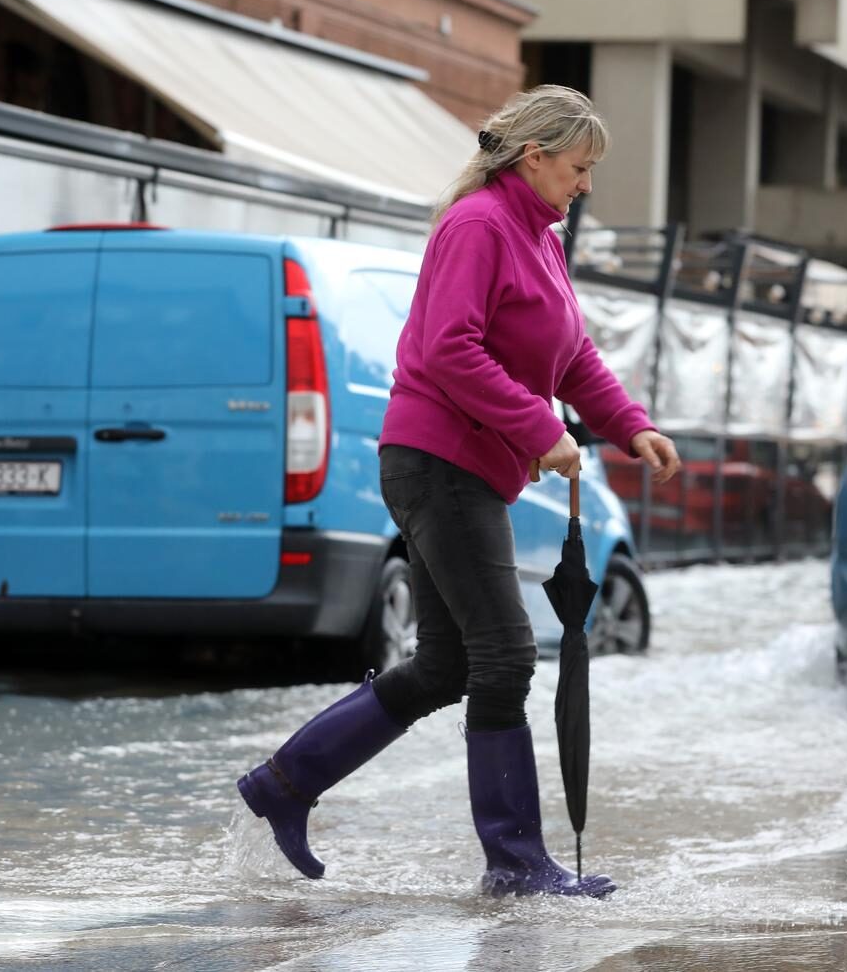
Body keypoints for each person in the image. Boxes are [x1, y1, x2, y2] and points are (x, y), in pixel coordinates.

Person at [238, 84, 681, 898]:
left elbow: (570, 353)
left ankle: (285, 784)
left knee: (447, 666)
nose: (586, 185)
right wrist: (539, 430)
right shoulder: (478, 224)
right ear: (534, 156)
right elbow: (448, 350)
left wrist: (628, 424)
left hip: (466, 466)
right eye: (579, 168)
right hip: (439, 462)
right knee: (506, 655)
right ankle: (515, 864)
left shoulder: (537, 234)